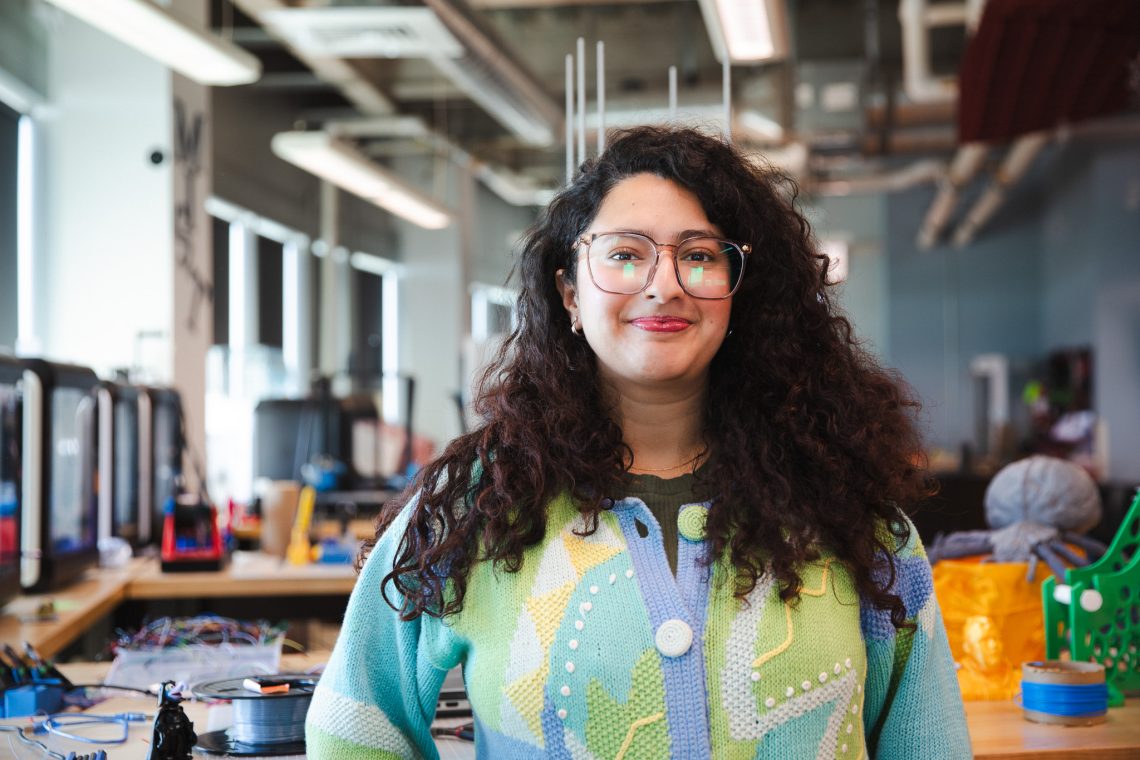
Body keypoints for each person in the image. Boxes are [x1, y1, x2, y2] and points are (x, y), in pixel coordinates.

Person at [305, 126, 971, 758]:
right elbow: (356, 723)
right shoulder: (478, 506)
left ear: (741, 293)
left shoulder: (847, 513)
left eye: (700, 256)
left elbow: (929, 743)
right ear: (569, 291)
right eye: (625, 254)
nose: (663, 284)